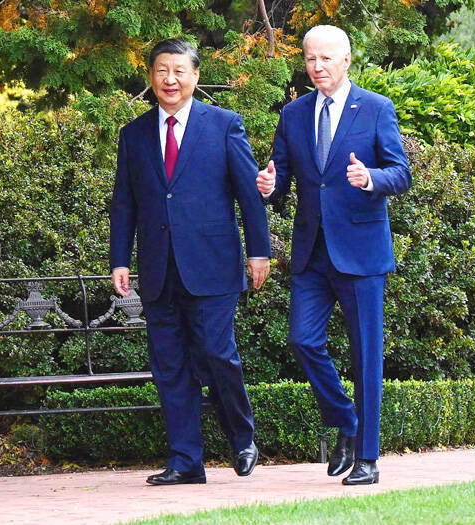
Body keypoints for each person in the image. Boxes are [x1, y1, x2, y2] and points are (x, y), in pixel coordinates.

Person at [110, 38, 271, 485]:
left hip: (213, 265)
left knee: (217, 353)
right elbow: (124, 203)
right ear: (151, 76)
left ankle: (242, 438)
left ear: (195, 76)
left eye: (179, 71)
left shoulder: (223, 125)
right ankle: (185, 462)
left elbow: (249, 194)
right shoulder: (134, 134)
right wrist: (120, 259)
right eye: (162, 70)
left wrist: (259, 251)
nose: (170, 79)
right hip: (159, 268)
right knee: (170, 365)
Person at [256, 25, 411, 485]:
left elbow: (400, 172)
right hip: (312, 253)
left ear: (346, 60)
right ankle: (346, 419)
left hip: (361, 252)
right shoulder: (293, 114)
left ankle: (368, 460)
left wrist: (371, 179)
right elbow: (282, 178)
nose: (317, 66)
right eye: (310, 59)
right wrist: (269, 186)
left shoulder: (376, 107)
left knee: (366, 356)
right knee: (302, 340)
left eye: (326, 58)